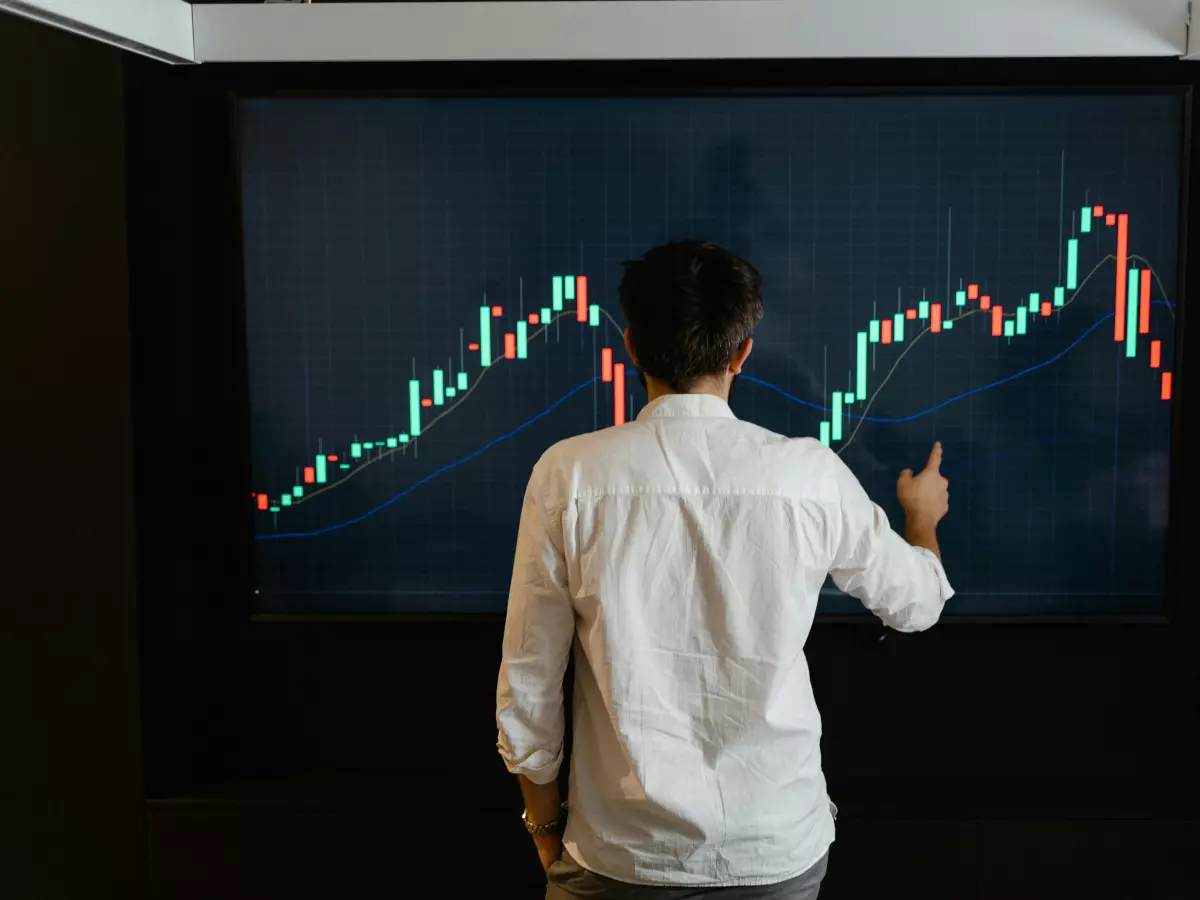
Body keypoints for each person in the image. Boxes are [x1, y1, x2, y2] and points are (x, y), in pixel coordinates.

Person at [496, 241, 952, 899]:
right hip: (774, 852)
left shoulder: (567, 476)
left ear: (631, 346)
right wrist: (922, 519)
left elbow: (529, 683)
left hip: (619, 857)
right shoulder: (810, 474)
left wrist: (542, 826)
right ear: (742, 352)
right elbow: (916, 603)